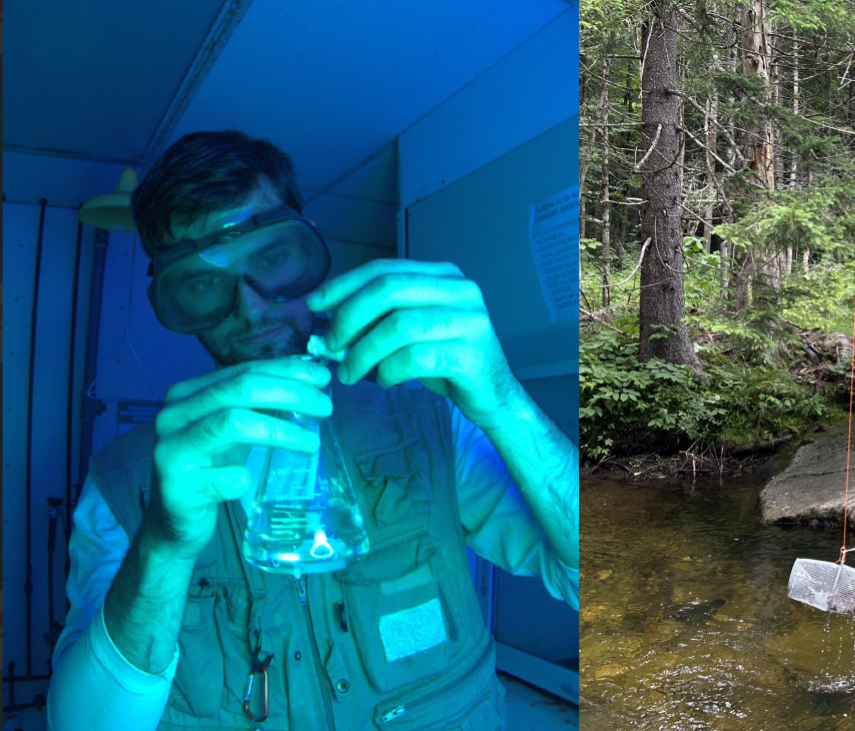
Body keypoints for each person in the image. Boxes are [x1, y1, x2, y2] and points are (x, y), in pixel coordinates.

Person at [47, 130, 578, 731]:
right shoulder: (121, 484)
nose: (251, 310)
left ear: (305, 246)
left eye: (270, 258)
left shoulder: (427, 418)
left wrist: (504, 400)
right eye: (202, 283)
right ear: (175, 301)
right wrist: (165, 542)